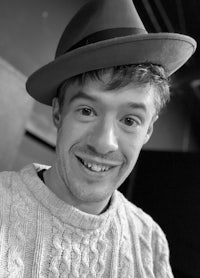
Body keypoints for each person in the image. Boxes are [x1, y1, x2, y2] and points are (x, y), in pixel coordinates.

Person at [0, 0, 196, 277]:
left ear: (148, 131)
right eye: (87, 111)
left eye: (129, 120)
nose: (104, 143)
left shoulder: (150, 241)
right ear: (58, 113)